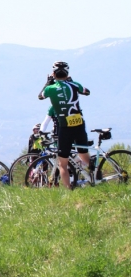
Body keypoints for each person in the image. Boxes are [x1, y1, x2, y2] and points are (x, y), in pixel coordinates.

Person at [38, 61, 91, 189]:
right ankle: (95, 173)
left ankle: (68, 191)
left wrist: (48, 82)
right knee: (83, 153)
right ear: (67, 73)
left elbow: (40, 96)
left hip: (65, 128)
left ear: (53, 74)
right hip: (79, 124)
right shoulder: (74, 84)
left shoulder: (50, 88)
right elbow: (87, 92)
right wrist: (70, 81)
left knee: (63, 163)